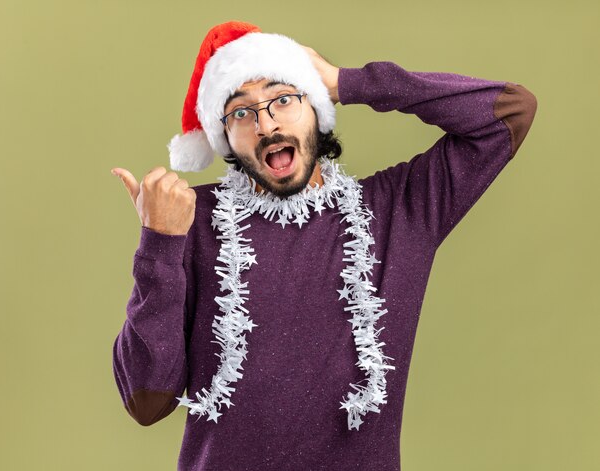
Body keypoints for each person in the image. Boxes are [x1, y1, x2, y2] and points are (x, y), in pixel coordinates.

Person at [111, 20, 537, 471]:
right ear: (227, 139)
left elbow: (510, 112)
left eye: (283, 99)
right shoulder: (191, 219)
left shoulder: (398, 210)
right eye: (241, 112)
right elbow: (146, 401)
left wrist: (348, 82)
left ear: (316, 108)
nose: (266, 123)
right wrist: (159, 244)